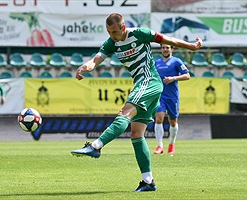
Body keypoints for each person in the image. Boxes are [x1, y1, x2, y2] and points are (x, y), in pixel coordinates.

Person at [71, 13, 202, 192]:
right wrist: (84, 67)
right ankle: (148, 181)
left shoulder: (140, 33)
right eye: (109, 32)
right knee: (136, 134)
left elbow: (167, 39)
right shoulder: (111, 43)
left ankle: (96, 146)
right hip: (143, 83)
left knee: (124, 112)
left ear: (123, 27)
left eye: (114, 31)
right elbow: (96, 60)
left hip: (149, 81)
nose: (112, 35)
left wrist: (192, 47)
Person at [153, 44, 190, 155]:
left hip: (172, 96)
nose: (165, 49)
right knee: (159, 119)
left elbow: (187, 75)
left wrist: (173, 78)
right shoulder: (157, 63)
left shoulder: (176, 62)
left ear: (172, 49)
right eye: (163, 47)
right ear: (161, 49)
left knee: (173, 122)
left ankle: (171, 143)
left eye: (167, 47)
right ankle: (159, 146)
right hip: (160, 96)